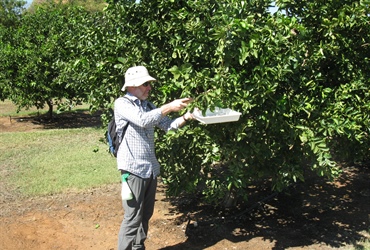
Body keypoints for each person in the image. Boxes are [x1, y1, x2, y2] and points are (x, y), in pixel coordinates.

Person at [115, 65, 193, 250]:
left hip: (150, 170)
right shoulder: (122, 104)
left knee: (145, 214)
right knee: (132, 216)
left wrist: (188, 116)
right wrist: (169, 106)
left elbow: (168, 125)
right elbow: (143, 120)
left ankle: (138, 247)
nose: (149, 87)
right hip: (133, 171)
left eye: (149, 84)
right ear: (132, 86)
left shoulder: (148, 106)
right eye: (145, 84)